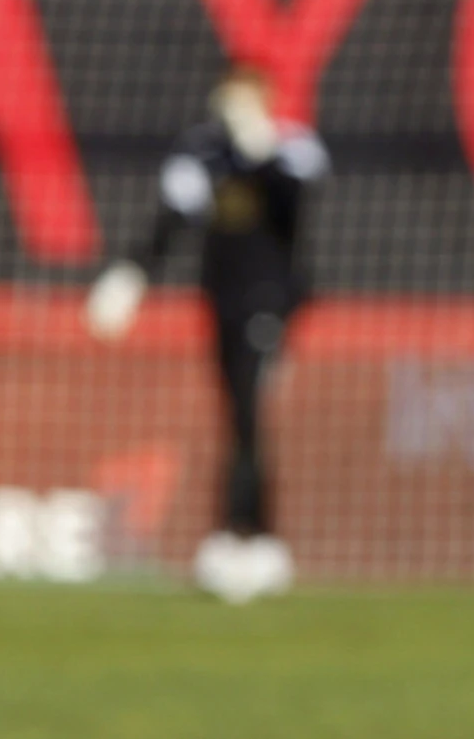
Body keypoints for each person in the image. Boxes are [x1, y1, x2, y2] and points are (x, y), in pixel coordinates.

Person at [87, 65, 328, 603]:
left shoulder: (291, 148)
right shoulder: (202, 153)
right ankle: (251, 539)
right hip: (221, 301)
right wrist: (132, 273)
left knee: (247, 414)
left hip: (269, 303)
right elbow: (173, 219)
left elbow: (294, 205)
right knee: (236, 416)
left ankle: (246, 540)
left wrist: (257, 149)